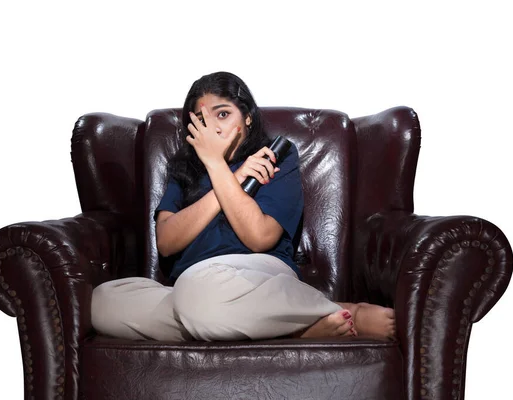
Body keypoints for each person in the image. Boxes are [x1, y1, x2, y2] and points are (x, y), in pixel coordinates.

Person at [91, 71, 396, 342]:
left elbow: (259, 237)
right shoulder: (183, 171)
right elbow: (168, 242)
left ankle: (337, 310)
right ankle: (294, 327)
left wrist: (218, 167)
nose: (214, 128)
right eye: (202, 120)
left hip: (256, 275)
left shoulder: (273, 159)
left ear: (247, 116)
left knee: (199, 295)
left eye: (222, 115)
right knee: (104, 301)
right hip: (190, 289)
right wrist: (227, 172)